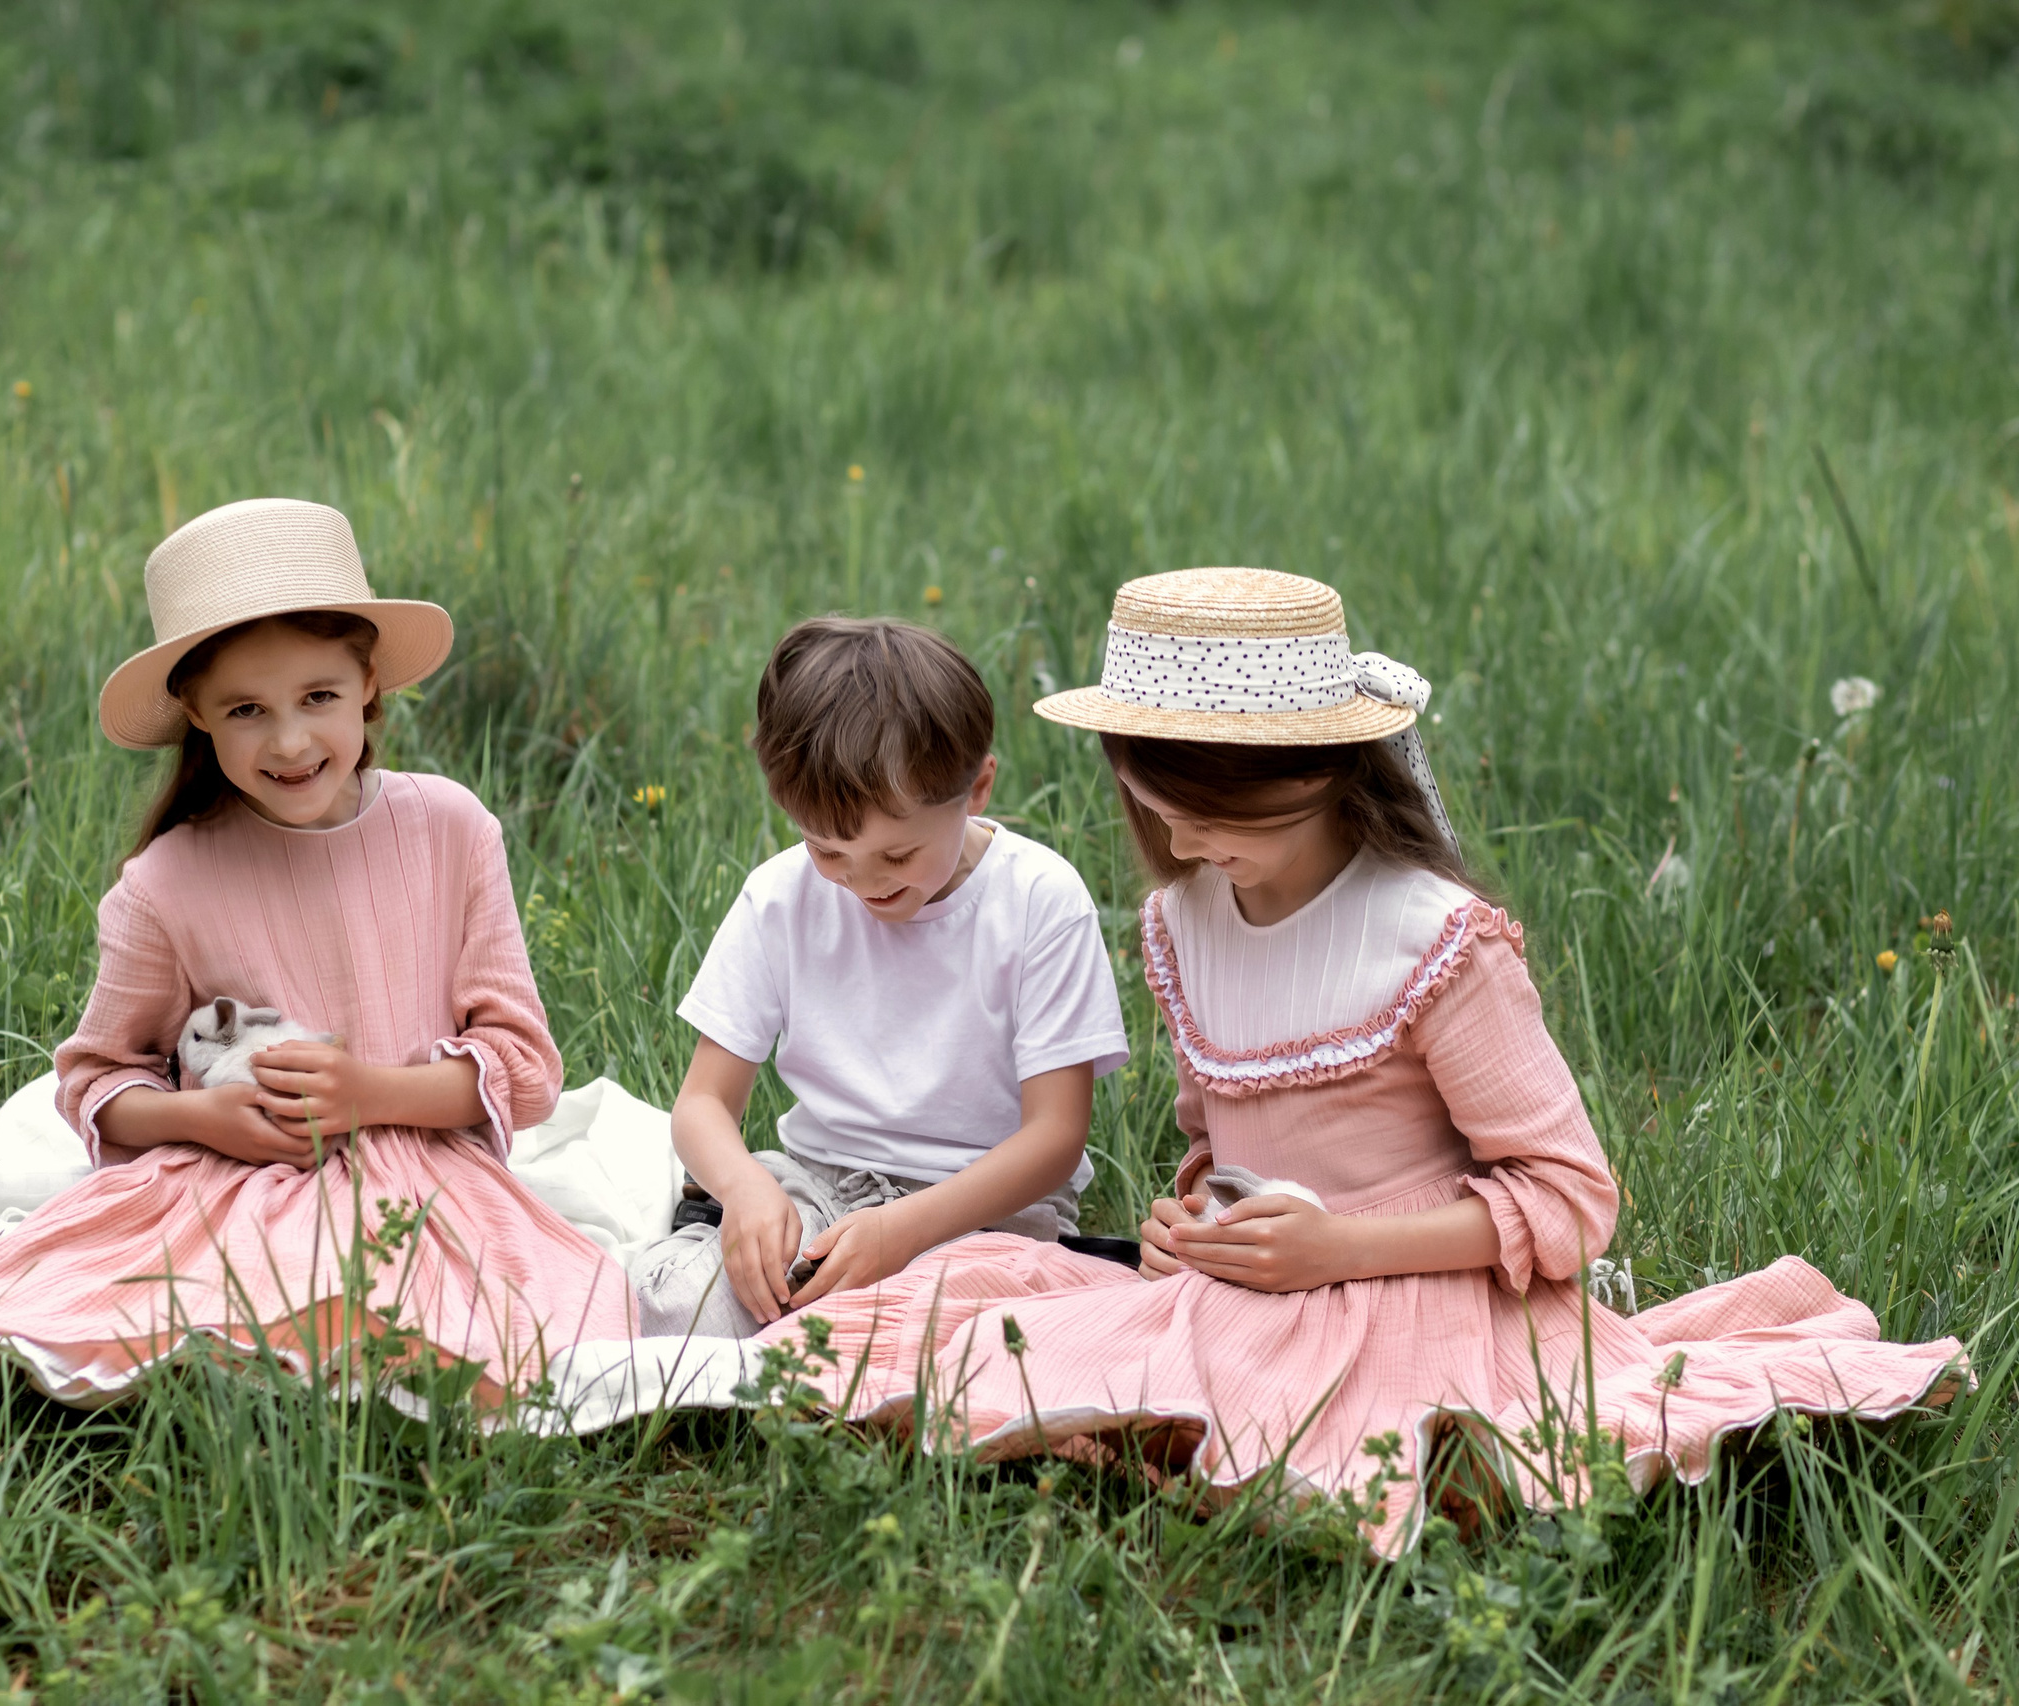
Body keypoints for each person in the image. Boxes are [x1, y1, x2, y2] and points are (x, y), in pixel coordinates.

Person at [754, 568, 1967, 1553]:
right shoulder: (1185, 919)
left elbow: (1572, 1198)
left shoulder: (1427, 939)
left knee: (1353, 1452)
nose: (1179, 839)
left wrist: (1339, 1248)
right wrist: (1185, 1217)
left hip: (1419, 1288)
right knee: (943, 1344)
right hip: (1254, 1281)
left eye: (1215, 812)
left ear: (1321, 770)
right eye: (1152, 804)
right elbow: (1218, 1141)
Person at [0, 499, 630, 1407]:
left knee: (511, 1322)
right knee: (144, 1302)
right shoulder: (167, 881)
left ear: (369, 682)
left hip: (421, 1166)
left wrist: (369, 1094)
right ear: (197, 713)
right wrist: (203, 1121)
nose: (291, 741)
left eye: (319, 698)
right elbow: (97, 1083)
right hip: (242, 1176)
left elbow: (523, 1071)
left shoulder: (450, 829)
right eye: (248, 709)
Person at [627, 617, 1129, 1336]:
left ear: (978, 787)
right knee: (680, 1308)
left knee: (972, 1331)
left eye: (898, 856)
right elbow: (702, 1105)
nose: (863, 881)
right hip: (823, 1189)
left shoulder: (1039, 901)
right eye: (829, 852)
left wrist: (902, 1231)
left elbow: (1055, 1138)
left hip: (982, 1214)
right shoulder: (780, 897)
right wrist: (744, 1192)